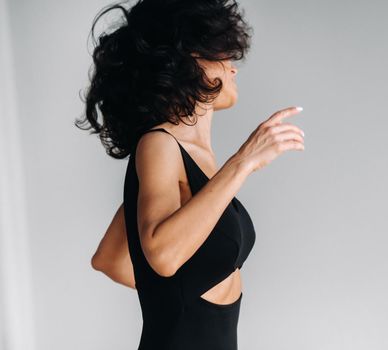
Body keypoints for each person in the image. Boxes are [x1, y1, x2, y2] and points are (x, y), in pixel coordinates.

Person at [76, 0, 304, 349]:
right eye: (223, 54)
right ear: (190, 59)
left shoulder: (194, 160)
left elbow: (110, 259)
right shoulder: (158, 144)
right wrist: (243, 162)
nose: (233, 68)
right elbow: (162, 256)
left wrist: (172, 294)